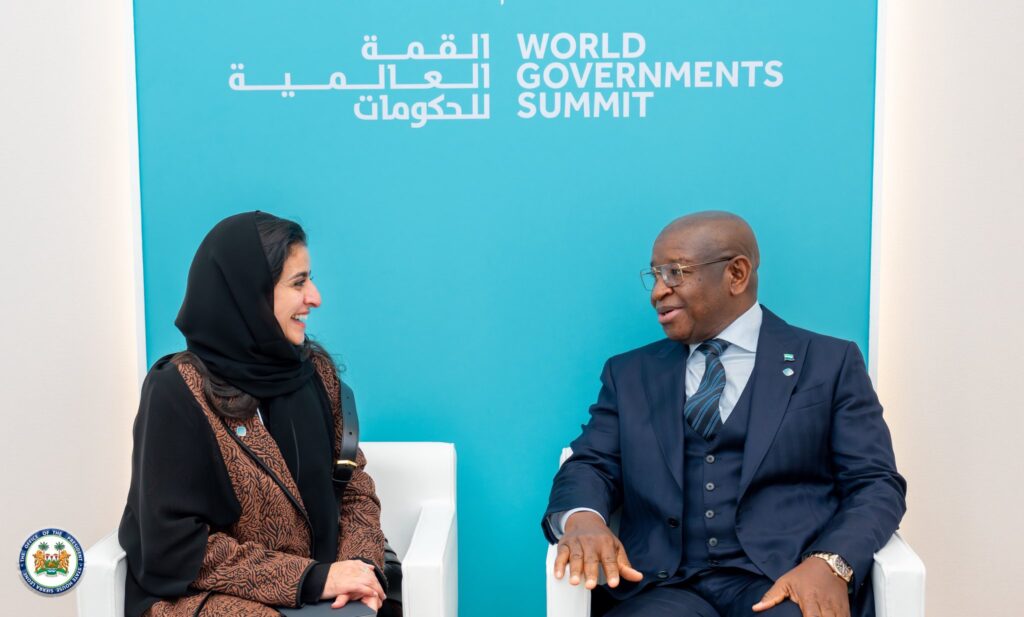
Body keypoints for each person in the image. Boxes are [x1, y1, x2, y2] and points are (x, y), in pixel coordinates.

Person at [543, 211, 906, 617]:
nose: (658, 292)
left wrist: (830, 563)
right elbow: (591, 463)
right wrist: (583, 519)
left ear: (736, 274)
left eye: (675, 273)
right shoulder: (629, 373)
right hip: (662, 588)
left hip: (784, 578)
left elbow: (875, 484)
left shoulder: (828, 363)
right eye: (655, 276)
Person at [119, 211, 399, 616]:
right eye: (298, 283)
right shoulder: (177, 391)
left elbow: (353, 488)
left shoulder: (315, 372)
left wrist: (360, 570)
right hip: (209, 597)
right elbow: (173, 546)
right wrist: (311, 579)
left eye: (310, 279)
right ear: (248, 292)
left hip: (324, 595)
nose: (315, 297)